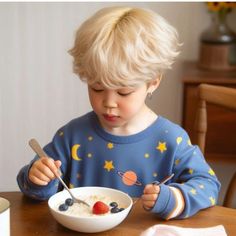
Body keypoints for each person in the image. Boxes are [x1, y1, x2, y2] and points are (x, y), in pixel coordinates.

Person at [17, 6, 220, 220]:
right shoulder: (72, 136)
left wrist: (174, 198)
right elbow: (35, 192)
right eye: (97, 88)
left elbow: (208, 185)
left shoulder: (171, 140)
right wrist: (37, 177)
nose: (109, 102)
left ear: (153, 82)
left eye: (124, 92)